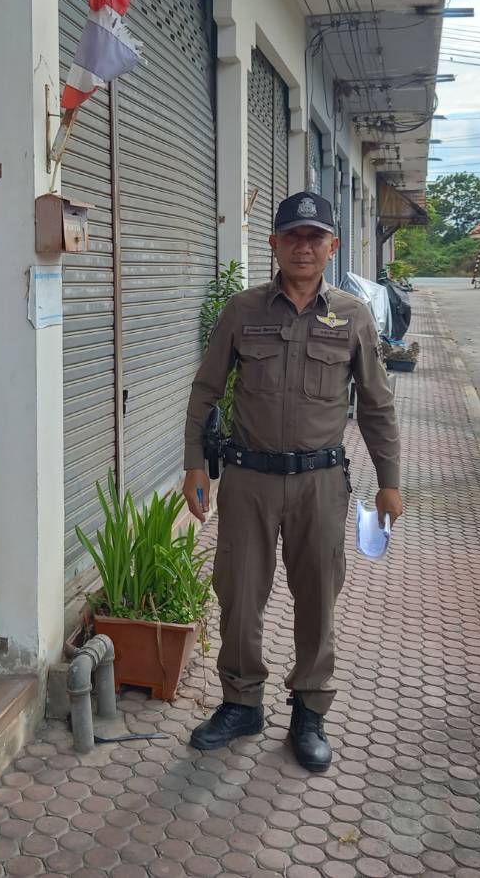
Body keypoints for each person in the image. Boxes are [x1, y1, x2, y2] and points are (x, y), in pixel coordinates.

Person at [181, 190, 403, 773]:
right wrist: (194, 464)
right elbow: (206, 390)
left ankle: (309, 710)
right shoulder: (242, 310)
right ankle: (241, 703)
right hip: (248, 480)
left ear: (332, 246)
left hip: (320, 485)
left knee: (318, 598)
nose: (303, 247)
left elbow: (377, 405)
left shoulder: (352, 316)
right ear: (274, 244)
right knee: (238, 594)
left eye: (315, 237)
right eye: (292, 236)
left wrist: (390, 480)